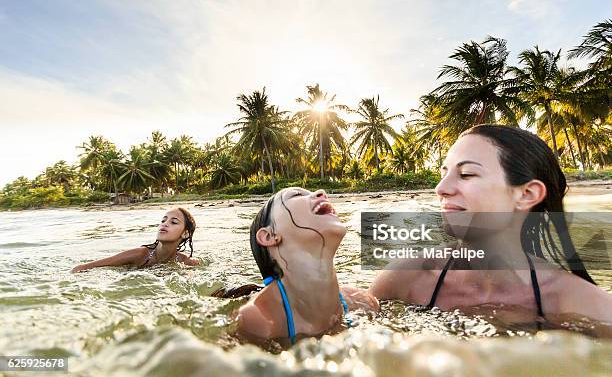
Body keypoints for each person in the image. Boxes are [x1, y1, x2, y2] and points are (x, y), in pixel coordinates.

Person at [370, 124, 612, 324]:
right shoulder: (405, 278)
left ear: (526, 194)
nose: (441, 188)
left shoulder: (578, 302)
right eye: (443, 173)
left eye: (466, 174)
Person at [237, 187, 379, 344]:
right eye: (297, 195)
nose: (322, 192)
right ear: (269, 236)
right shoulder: (258, 320)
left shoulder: (363, 303)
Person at [71, 207, 199, 273]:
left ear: (185, 233)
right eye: (163, 220)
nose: (164, 224)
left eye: (174, 222)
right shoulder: (141, 255)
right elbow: (85, 267)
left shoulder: (184, 261)